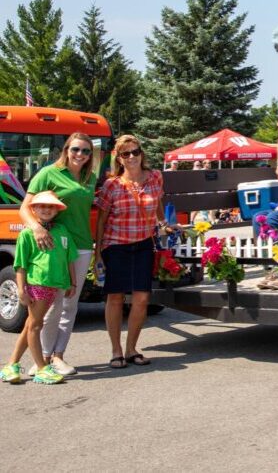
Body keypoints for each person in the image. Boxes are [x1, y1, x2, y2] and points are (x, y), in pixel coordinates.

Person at [18, 132, 97, 376]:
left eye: (85, 151)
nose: (80, 155)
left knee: (70, 303)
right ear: (66, 150)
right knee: (52, 304)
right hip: (53, 244)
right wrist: (38, 229)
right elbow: (25, 207)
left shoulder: (90, 177)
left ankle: (58, 355)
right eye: (75, 149)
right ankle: (41, 358)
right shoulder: (48, 173)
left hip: (81, 245)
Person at [94, 134, 172, 369]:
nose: (131, 157)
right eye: (125, 154)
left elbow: (158, 202)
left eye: (135, 152)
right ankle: (116, 350)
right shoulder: (112, 184)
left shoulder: (155, 177)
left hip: (144, 244)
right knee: (115, 297)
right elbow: (101, 220)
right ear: (118, 158)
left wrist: (162, 224)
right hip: (116, 245)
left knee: (142, 298)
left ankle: (131, 349)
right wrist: (98, 252)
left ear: (141, 153)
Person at [1, 192, 77, 385]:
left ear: (57, 210)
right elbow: (21, 264)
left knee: (30, 324)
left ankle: (12, 364)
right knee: (36, 325)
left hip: (55, 286)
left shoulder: (62, 231)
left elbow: (69, 259)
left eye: (50, 206)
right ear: (33, 209)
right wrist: (21, 290)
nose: (46, 209)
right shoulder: (27, 233)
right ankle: (42, 368)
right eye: (41, 206)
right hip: (37, 285)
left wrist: (72, 282)